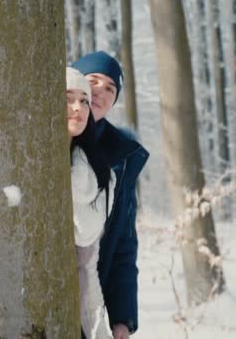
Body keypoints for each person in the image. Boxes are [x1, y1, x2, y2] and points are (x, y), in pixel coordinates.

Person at [72, 51, 150, 339]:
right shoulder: (46, 137)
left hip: (91, 298)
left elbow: (124, 243)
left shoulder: (123, 156)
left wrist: (122, 317)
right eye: (93, 81)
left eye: (110, 88)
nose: (100, 92)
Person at [66, 67, 113, 339]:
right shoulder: (33, 170)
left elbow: (88, 267)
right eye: (68, 98)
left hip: (75, 318)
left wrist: (100, 333)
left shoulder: (101, 174)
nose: (78, 107)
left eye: (84, 100)